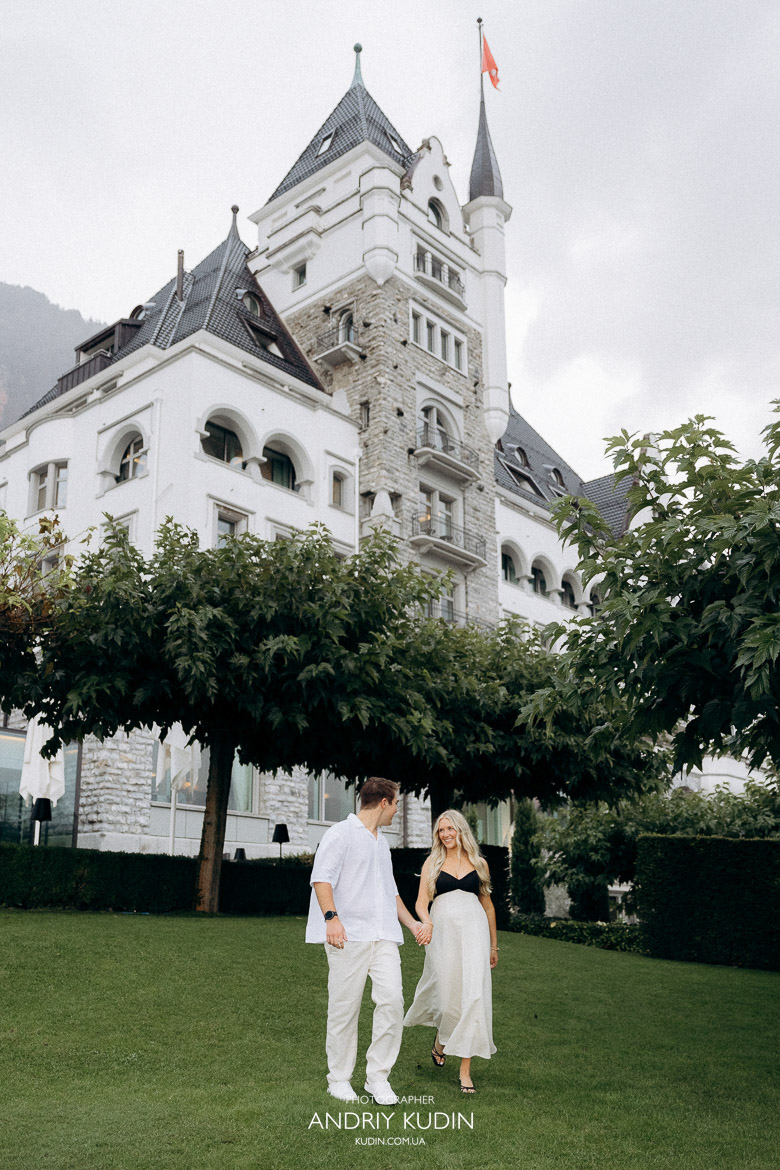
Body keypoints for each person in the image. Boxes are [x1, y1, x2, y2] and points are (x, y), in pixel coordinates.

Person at [306, 777, 426, 1106]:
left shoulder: (381, 842)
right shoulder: (340, 834)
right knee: (345, 1008)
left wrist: (413, 924)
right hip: (348, 936)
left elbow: (391, 893)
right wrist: (332, 919)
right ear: (384, 802)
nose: (397, 809)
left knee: (392, 1002)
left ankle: (377, 1078)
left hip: (384, 936)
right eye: (396, 803)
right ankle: (339, 1079)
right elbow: (321, 878)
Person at [403, 809, 498, 1093]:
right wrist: (427, 922)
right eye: (440, 830)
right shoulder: (433, 862)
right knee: (446, 1001)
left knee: (473, 996)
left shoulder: (479, 863)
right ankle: (441, 1042)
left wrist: (494, 945)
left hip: (475, 933)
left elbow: (488, 906)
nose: (445, 834)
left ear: (460, 830)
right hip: (442, 933)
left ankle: (465, 1071)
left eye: (449, 829)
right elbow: (421, 903)